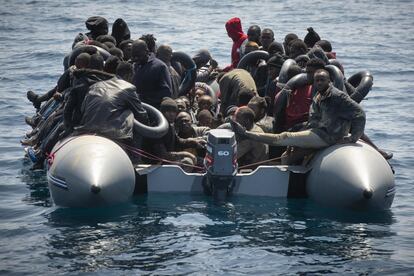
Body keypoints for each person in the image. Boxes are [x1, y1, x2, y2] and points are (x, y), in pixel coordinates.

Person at [231, 69, 366, 151]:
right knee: (289, 150)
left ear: (329, 81)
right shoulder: (318, 95)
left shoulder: (338, 96)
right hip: (318, 132)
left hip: (329, 137)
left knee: (284, 137)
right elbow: (314, 119)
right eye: (317, 80)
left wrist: (353, 138)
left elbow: (359, 114)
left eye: (322, 80)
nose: (319, 83)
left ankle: (246, 134)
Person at [132, 40, 172, 109]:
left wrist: (142, 97)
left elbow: (166, 93)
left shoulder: (160, 66)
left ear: (146, 51)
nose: (136, 58)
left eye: (138, 55)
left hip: (153, 109)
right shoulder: (135, 65)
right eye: (134, 56)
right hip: (137, 107)